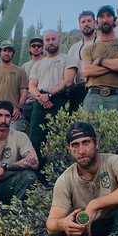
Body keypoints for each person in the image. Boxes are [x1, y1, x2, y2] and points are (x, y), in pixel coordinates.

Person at [28, 30, 78, 159]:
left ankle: (57, 173)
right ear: (44, 43)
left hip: (59, 100)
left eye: (53, 39)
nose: (50, 42)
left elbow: (68, 81)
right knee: (36, 138)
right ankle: (38, 174)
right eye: (47, 40)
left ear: (59, 40)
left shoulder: (67, 59)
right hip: (39, 102)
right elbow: (32, 86)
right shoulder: (38, 64)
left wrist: (49, 95)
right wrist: (41, 98)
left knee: (59, 136)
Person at [0, 100, 39, 203]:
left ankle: (15, 213)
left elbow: (34, 162)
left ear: (11, 118)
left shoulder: (20, 137)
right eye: (0, 115)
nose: (3, 120)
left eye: (7, 116)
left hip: (8, 184)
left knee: (29, 176)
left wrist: (5, 168)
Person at [81, 5, 118, 112]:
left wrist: (100, 61)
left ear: (114, 19)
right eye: (101, 17)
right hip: (93, 97)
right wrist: (116, 64)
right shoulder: (89, 49)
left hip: (117, 96)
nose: (105, 20)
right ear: (97, 22)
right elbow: (86, 71)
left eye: (109, 16)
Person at [66, 11, 97, 112]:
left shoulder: (102, 42)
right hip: (79, 88)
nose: (86, 24)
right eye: (83, 22)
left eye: (89, 21)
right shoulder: (74, 48)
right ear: (79, 25)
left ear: (95, 23)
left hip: (98, 87)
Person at [21, 37, 45, 128]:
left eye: (38, 46)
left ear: (42, 48)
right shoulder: (24, 66)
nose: (36, 48)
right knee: (27, 130)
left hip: (42, 101)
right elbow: (22, 86)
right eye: (33, 46)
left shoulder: (46, 62)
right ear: (30, 48)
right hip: (27, 103)